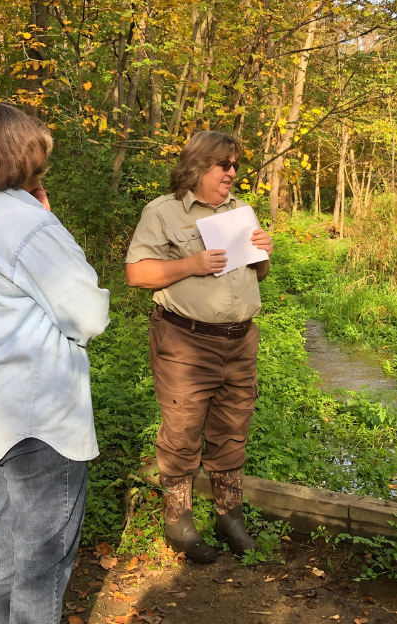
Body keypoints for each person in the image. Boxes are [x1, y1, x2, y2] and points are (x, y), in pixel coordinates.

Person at [0, 101, 110, 624]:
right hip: (37, 420)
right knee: (42, 557)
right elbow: (88, 314)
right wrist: (49, 219)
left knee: (3, 540)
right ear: (21, 154)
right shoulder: (29, 224)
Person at [125, 130, 274, 564]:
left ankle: (230, 518)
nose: (232, 173)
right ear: (198, 166)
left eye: (234, 166)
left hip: (240, 340)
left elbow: (256, 275)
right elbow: (136, 274)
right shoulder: (163, 212)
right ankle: (179, 524)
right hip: (185, 343)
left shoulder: (240, 211)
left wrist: (263, 251)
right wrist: (190, 264)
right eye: (224, 165)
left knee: (232, 431)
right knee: (183, 432)